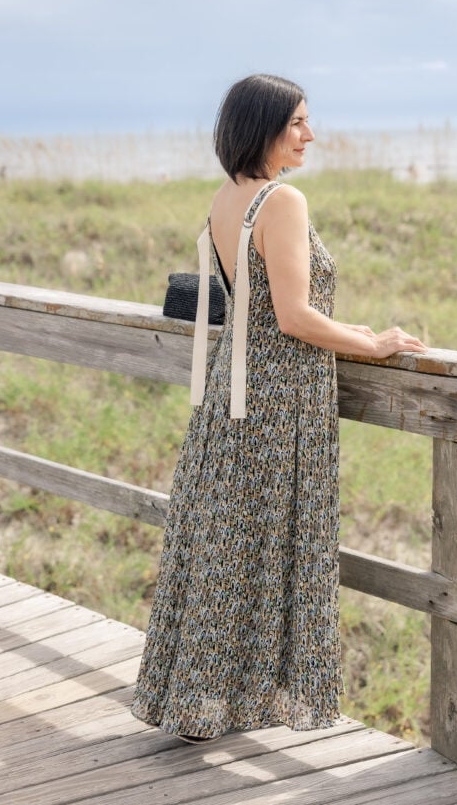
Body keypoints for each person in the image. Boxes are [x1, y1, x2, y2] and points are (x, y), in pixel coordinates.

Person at [131, 74, 427, 744]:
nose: (310, 133)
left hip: (229, 400)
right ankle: (241, 700)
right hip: (277, 400)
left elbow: (257, 306)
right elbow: (293, 316)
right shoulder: (281, 200)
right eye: (297, 121)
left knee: (227, 550)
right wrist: (371, 340)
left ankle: (203, 700)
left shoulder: (225, 196)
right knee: (273, 549)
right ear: (262, 126)